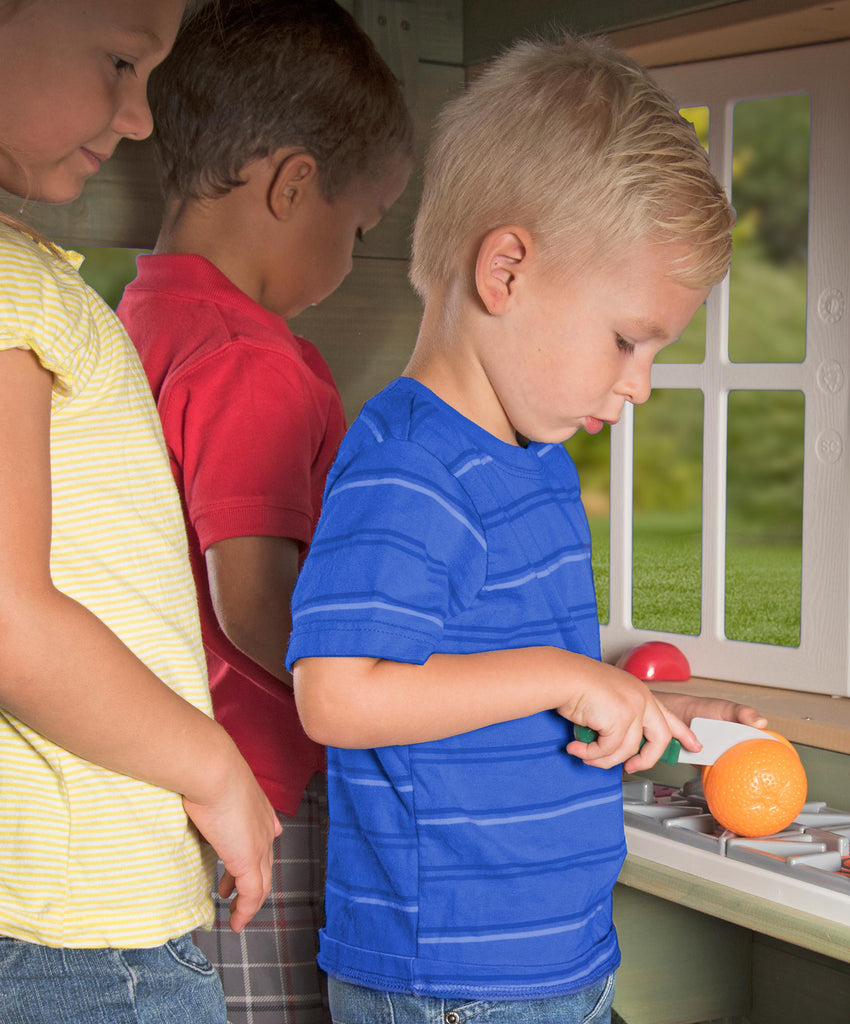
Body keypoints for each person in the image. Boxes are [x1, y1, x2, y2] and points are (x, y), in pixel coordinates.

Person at [285, 34, 763, 1024]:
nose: (639, 382)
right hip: (451, 987)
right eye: (628, 339)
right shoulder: (409, 467)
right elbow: (336, 693)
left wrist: (634, 701)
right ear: (505, 268)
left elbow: (507, 679)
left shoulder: (534, 464)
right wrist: (569, 673)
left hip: (555, 963)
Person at [115, 2, 413, 1021]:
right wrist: (395, 694)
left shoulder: (138, 317)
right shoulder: (248, 359)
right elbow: (254, 605)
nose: (350, 260)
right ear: (293, 185)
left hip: (167, 789)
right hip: (266, 789)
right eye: (360, 226)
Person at [0, 2, 280, 1023]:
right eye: (120, 60)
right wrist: (218, 769)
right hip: (79, 944)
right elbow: (8, 622)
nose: (139, 116)